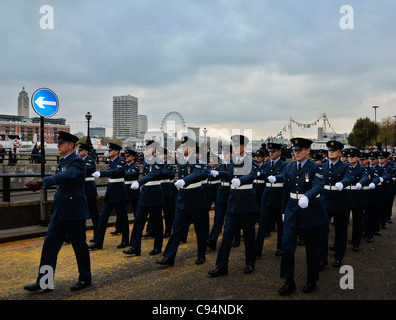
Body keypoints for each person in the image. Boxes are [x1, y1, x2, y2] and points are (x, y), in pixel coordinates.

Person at [24, 131, 91, 292]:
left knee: (79, 246)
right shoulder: (63, 162)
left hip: (74, 211)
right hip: (59, 212)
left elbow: (68, 175)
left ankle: (85, 278)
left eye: (61, 143)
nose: (58, 145)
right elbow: (60, 177)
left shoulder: (77, 162)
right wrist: (43, 183)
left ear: (71, 146)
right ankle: (45, 282)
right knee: (49, 247)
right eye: (58, 142)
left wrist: (42, 182)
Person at [278, 137, 328, 296]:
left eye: (300, 150)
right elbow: (285, 189)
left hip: (310, 210)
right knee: (286, 246)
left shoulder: (316, 167)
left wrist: (308, 196)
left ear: (308, 151)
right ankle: (288, 280)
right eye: (295, 150)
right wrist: (284, 211)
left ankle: (311, 279)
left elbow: (318, 185)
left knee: (312, 248)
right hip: (292, 209)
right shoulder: (289, 167)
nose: (296, 153)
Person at [208, 134, 259, 277]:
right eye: (234, 145)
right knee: (227, 235)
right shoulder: (231, 161)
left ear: (244, 147)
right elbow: (229, 173)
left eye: (237, 145)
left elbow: (252, 175)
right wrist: (218, 173)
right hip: (232, 202)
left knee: (248, 236)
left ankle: (250, 263)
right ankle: (221, 265)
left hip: (247, 203)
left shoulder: (251, 161)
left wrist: (241, 180)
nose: (235, 148)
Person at [156, 136, 209, 267]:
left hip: (196, 197)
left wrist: (185, 181)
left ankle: (201, 255)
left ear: (190, 148)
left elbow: (201, 173)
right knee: (177, 229)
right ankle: (169, 257)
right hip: (183, 197)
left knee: (200, 229)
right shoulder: (181, 161)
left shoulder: (197, 160)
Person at [123, 140, 165, 256]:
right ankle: (135, 247)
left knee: (157, 222)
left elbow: (153, 174)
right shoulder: (147, 160)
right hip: (145, 193)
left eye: (148, 148)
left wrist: (139, 182)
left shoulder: (158, 160)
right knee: (138, 221)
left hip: (155, 193)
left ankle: (157, 247)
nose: (146, 150)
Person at [318, 140, 353, 269]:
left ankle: (339, 257)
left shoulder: (345, 166)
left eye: (334, 150)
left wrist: (342, 183)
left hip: (341, 202)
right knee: (322, 230)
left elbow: (350, 177)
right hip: (325, 201)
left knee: (340, 231)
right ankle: (322, 258)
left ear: (339, 152)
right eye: (329, 150)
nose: (331, 152)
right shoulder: (323, 165)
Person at [89, 142, 129, 250]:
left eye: (111, 150)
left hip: (119, 191)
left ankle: (125, 240)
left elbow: (116, 171)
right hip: (111, 191)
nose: (109, 152)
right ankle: (98, 242)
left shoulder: (120, 161)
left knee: (123, 217)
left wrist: (102, 173)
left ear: (116, 152)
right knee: (103, 217)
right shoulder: (111, 161)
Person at [256, 142, 286, 257]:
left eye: (274, 151)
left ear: (279, 152)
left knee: (280, 225)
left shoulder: (284, 165)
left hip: (279, 197)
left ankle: (280, 247)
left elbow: (284, 175)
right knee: (262, 224)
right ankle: (258, 249)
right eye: (270, 152)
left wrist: (276, 178)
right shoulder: (265, 165)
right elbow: (260, 175)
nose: (271, 153)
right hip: (267, 196)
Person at [207, 143, 232, 251]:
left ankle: (233, 238)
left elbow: (229, 173)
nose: (224, 155)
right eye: (223, 153)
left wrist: (218, 173)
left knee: (231, 218)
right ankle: (212, 240)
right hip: (222, 191)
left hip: (231, 191)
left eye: (226, 153)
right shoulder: (221, 165)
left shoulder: (235, 164)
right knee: (218, 218)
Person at [346, 148, 369, 252]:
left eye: (353, 156)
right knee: (342, 222)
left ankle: (356, 242)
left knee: (357, 221)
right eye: (349, 156)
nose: (351, 158)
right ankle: (338, 243)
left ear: (357, 158)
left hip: (358, 196)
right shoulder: (344, 167)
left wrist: (361, 183)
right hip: (345, 197)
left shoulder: (362, 168)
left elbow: (365, 177)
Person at [77, 143, 100, 241]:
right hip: (80, 190)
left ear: (86, 152)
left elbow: (88, 170)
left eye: (80, 150)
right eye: (78, 150)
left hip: (89, 189)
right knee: (79, 214)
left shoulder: (90, 160)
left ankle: (97, 236)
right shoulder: (77, 161)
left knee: (94, 214)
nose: (78, 152)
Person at [157, 147, 176, 237]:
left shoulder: (168, 164)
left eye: (160, 154)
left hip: (166, 190)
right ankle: (154, 230)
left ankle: (168, 230)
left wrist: (157, 173)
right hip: (157, 189)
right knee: (156, 213)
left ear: (165, 156)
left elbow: (168, 174)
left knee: (168, 212)